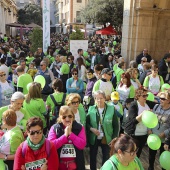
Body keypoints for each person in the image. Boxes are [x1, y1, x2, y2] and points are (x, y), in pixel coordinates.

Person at [86, 90, 119, 170]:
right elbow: (86, 123)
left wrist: (114, 138)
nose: (99, 100)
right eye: (97, 98)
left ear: (105, 98)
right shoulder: (91, 109)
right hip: (94, 138)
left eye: (101, 98)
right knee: (93, 157)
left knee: (106, 157)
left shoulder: (111, 109)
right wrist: (91, 129)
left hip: (107, 138)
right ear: (94, 99)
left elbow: (116, 125)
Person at [48, 106, 86, 170]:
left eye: (70, 116)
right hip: (59, 166)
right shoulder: (54, 128)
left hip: (76, 165)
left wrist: (71, 134)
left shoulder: (80, 128)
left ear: (73, 117)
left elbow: (82, 145)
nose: (67, 119)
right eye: (64, 117)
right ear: (60, 117)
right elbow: (50, 146)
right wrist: (65, 136)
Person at [124, 87, 151, 158]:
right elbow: (133, 121)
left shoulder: (147, 105)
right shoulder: (134, 105)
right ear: (138, 96)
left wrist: (149, 129)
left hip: (143, 134)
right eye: (144, 95)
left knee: (137, 155)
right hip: (133, 134)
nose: (146, 97)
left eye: (146, 95)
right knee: (130, 154)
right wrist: (143, 114)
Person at [147, 91, 170, 170]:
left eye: (163, 98)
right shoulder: (156, 106)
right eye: (160, 98)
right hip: (154, 136)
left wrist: (165, 133)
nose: (161, 100)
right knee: (151, 156)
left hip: (164, 139)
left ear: (168, 100)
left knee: (164, 158)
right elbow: (151, 118)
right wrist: (149, 129)